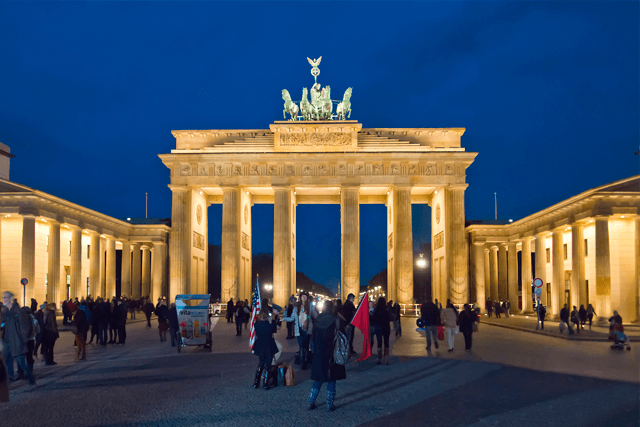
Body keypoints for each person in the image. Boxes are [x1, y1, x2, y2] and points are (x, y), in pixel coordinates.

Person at [307, 300, 345, 412]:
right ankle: (329, 404)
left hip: (319, 353)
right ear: (332, 308)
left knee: (318, 379)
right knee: (331, 379)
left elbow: (312, 337)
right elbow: (342, 335)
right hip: (331, 353)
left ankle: (311, 402)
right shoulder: (336, 320)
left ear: (323, 308)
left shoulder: (317, 320)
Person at [1, 291, 36, 390]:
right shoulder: (4, 311)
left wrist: (23, 338)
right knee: (5, 362)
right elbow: (3, 323)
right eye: (3, 297)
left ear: (10, 299)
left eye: (6, 297)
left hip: (16, 341)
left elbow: (24, 326)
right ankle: (7, 382)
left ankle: (31, 378)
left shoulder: (18, 311)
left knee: (22, 363)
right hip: (7, 341)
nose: (4, 299)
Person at [281, 292, 312, 370]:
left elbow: (315, 316)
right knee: (301, 347)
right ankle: (303, 363)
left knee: (306, 347)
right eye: (303, 296)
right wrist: (283, 319)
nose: (304, 298)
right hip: (299, 330)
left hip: (307, 330)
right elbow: (292, 318)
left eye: (305, 297)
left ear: (307, 298)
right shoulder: (296, 308)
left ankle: (306, 360)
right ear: (300, 297)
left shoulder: (310, 307)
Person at [252, 309, 277, 390]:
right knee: (268, 364)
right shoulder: (270, 325)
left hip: (260, 345)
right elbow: (274, 331)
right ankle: (265, 383)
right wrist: (273, 319)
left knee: (261, 363)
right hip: (269, 345)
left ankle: (256, 383)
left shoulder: (256, 324)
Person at [371, 297, 391, 365]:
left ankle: (379, 359)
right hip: (386, 328)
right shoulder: (387, 309)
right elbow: (390, 317)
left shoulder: (376, 309)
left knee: (379, 343)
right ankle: (386, 359)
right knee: (386, 343)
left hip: (378, 328)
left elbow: (373, 318)